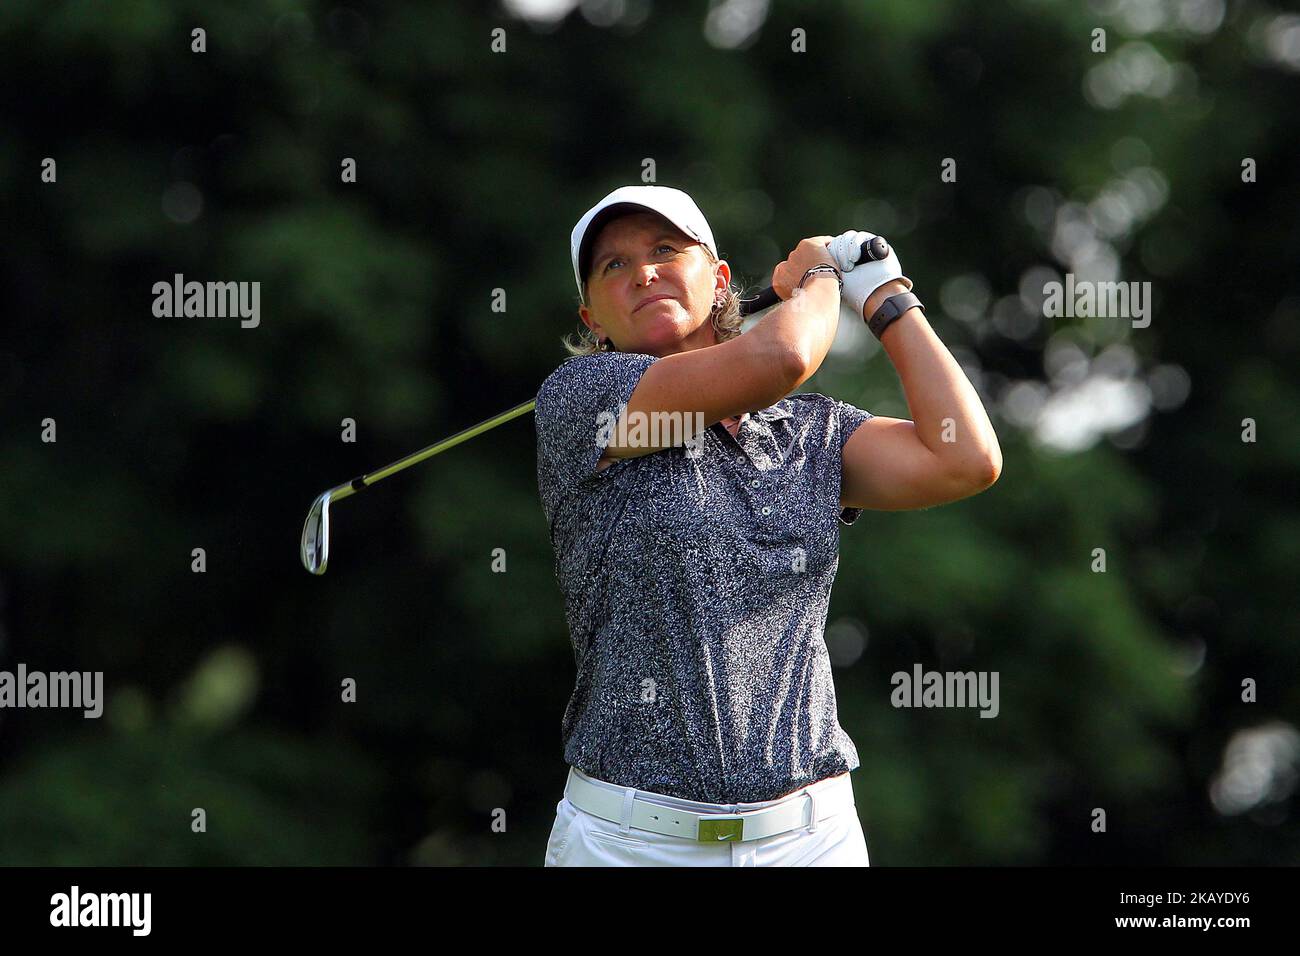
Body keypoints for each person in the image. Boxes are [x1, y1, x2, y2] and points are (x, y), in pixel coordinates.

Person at [533, 185, 1002, 866]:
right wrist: (816, 278)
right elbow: (776, 359)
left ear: (719, 282)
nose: (643, 272)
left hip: (811, 839)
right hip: (628, 843)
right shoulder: (583, 401)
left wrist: (885, 298)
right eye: (614, 266)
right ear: (593, 319)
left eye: (666, 249)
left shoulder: (810, 432)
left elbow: (965, 458)